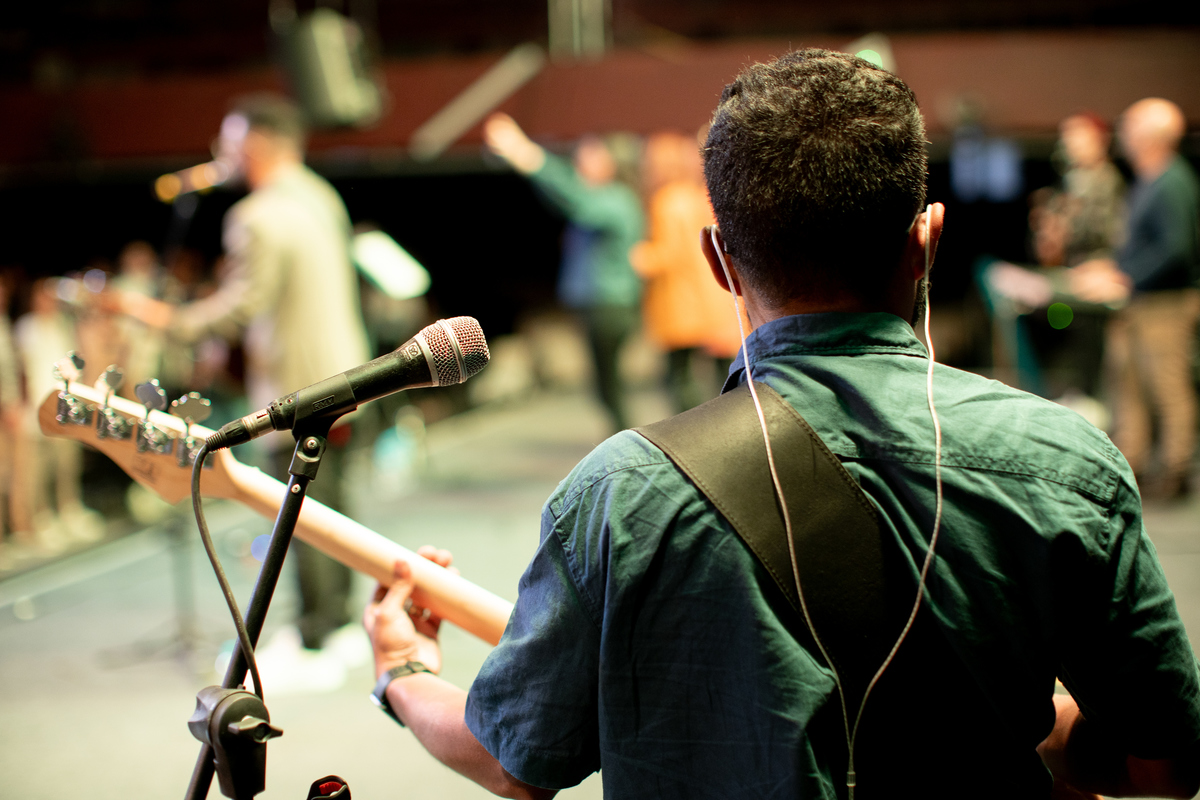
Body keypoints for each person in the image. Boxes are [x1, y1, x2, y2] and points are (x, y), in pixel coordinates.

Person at [363, 52, 1200, 799]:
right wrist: (1020, 720)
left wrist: (403, 669)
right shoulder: (1064, 461)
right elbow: (1163, 765)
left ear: (719, 261)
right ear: (928, 239)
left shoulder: (622, 493)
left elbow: (512, 762)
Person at [120, 95, 372, 678]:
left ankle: (316, 639)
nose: (220, 153)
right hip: (348, 373)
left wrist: (166, 318)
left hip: (298, 386)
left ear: (256, 144)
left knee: (300, 513)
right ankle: (337, 622)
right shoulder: (320, 195)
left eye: (229, 141)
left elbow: (241, 306)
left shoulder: (255, 216)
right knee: (335, 508)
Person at [1070, 98, 1200, 499]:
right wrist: (1110, 268)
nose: (1122, 136)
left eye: (1128, 128)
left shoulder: (1172, 181)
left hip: (1165, 304)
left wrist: (1127, 278)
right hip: (1143, 301)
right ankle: (1135, 465)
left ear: (1150, 136)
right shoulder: (1150, 179)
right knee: (1131, 387)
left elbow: (1176, 249)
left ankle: (1176, 471)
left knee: (1168, 386)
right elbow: (1144, 246)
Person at [483, 113, 644, 433]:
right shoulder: (606, 199)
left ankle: (628, 442)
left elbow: (573, 198)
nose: (581, 159)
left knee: (609, 387)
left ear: (610, 161)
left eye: (591, 153)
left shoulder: (615, 199)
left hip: (609, 307)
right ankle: (623, 438)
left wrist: (528, 155)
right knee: (605, 387)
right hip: (602, 306)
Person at [631, 130, 743, 412]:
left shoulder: (667, 201)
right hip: (707, 301)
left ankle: (689, 431)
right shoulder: (697, 198)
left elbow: (668, 254)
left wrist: (640, 257)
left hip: (678, 302)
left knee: (679, 376)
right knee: (717, 377)